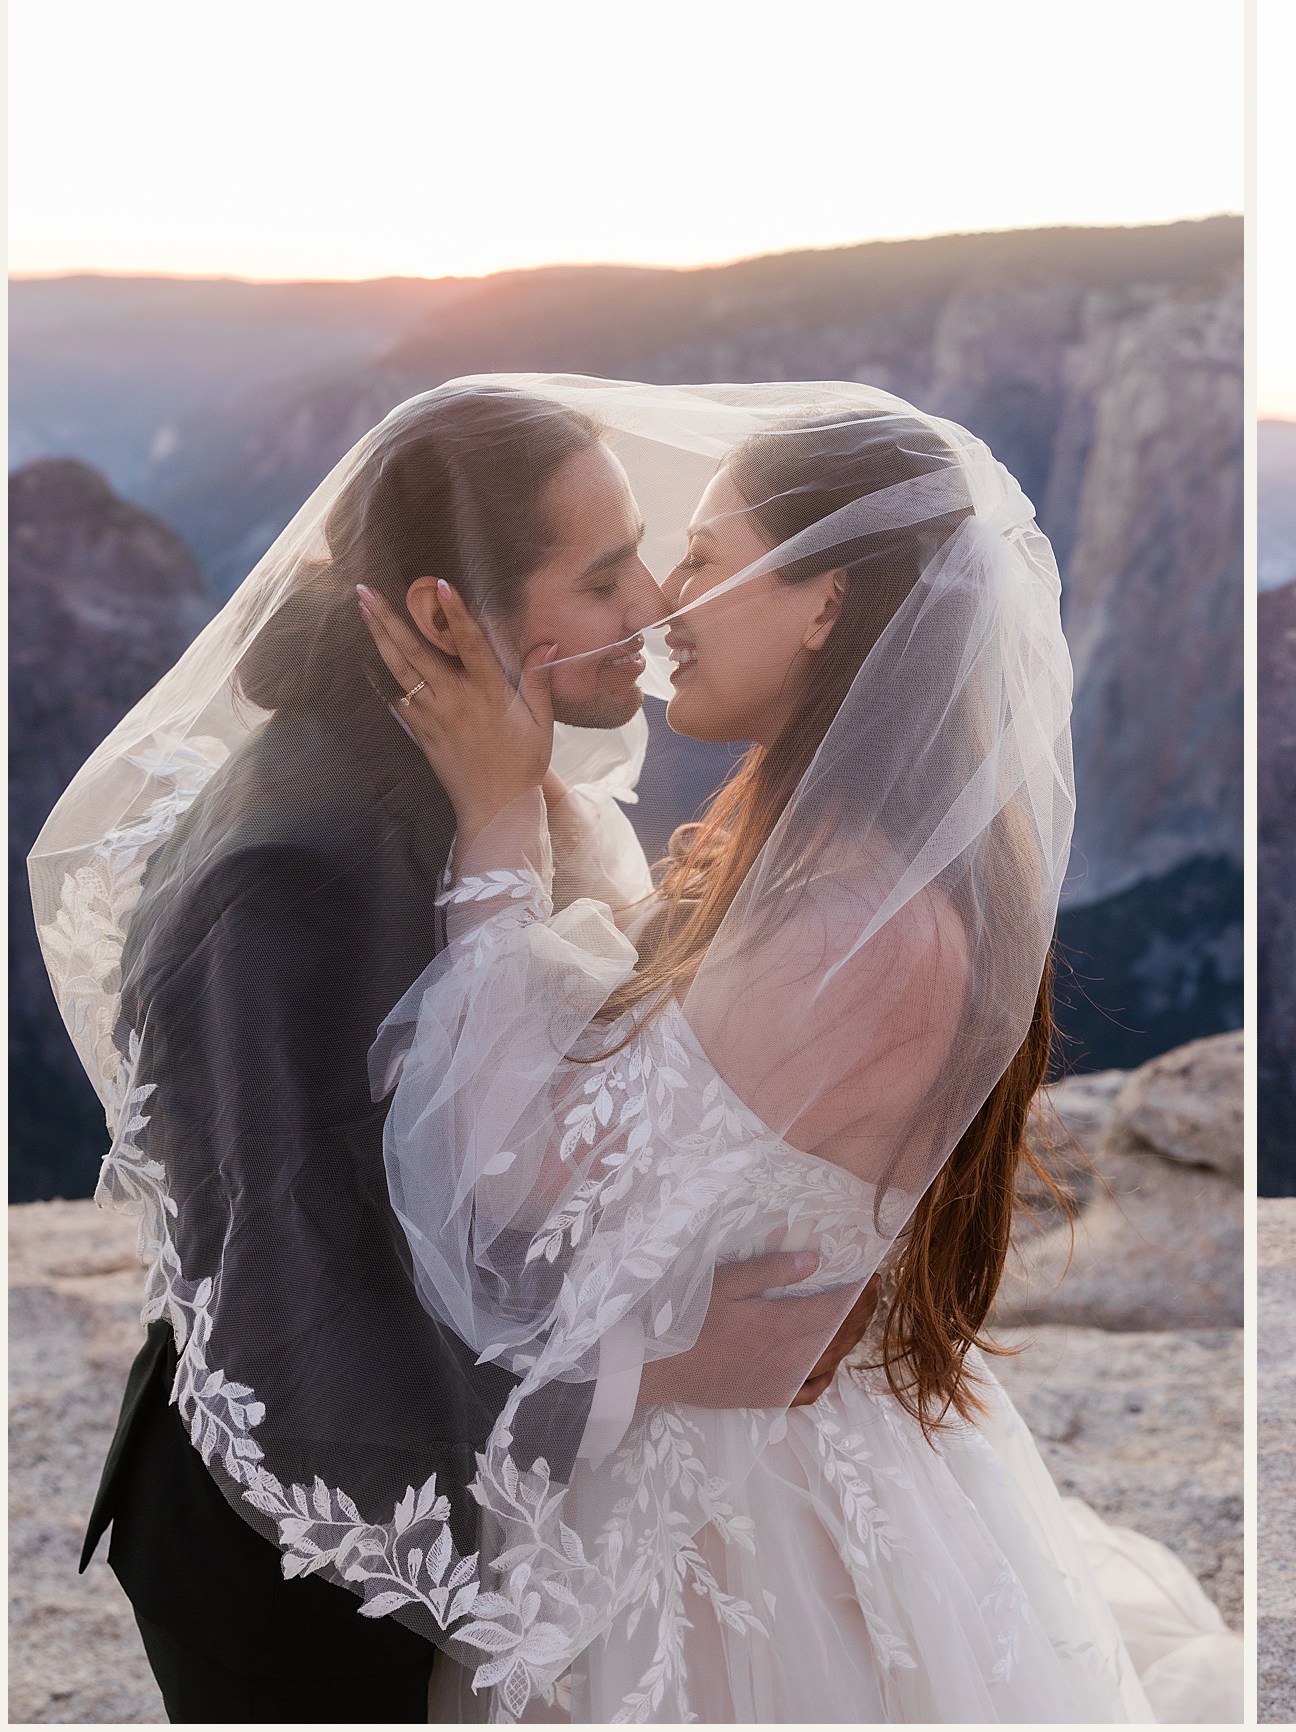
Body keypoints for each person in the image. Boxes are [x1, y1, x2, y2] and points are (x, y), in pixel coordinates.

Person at [356, 388, 1238, 1720]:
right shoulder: (816, 859)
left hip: (736, 1525)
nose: (659, 601)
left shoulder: (854, 928)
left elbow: (517, 1176)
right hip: (729, 1451)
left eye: (705, 559)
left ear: (826, 602)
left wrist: (492, 834)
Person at [37, 386, 868, 1723]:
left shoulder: (467, 785)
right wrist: (664, 1366)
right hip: (289, 1571)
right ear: (440, 614)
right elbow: (298, 1291)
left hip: (402, 1524)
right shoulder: (292, 877)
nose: (655, 598)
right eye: (603, 578)